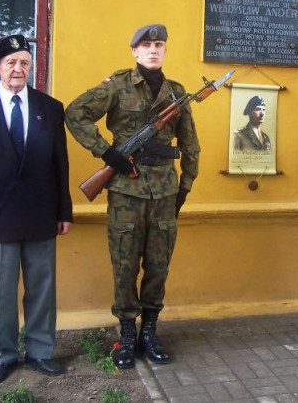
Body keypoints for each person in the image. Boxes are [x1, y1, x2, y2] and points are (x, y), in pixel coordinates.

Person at [65, 24, 199, 368]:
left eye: (159, 45)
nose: (153, 50)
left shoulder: (177, 92)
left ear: (165, 51)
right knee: (124, 266)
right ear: (135, 52)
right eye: (146, 45)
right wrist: (106, 153)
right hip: (126, 192)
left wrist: (184, 188)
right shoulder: (118, 85)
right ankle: (126, 335)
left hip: (165, 193)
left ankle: (150, 332)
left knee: (158, 266)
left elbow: (190, 144)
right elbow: (75, 113)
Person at [0, 34, 73, 385]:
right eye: (11, 62)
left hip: (41, 213)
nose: (18, 68)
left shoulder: (50, 108)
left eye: (24, 62)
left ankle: (41, 351)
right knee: (1, 291)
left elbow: (61, 164)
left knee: (42, 287)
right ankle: (4, 354)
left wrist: (64, 210)